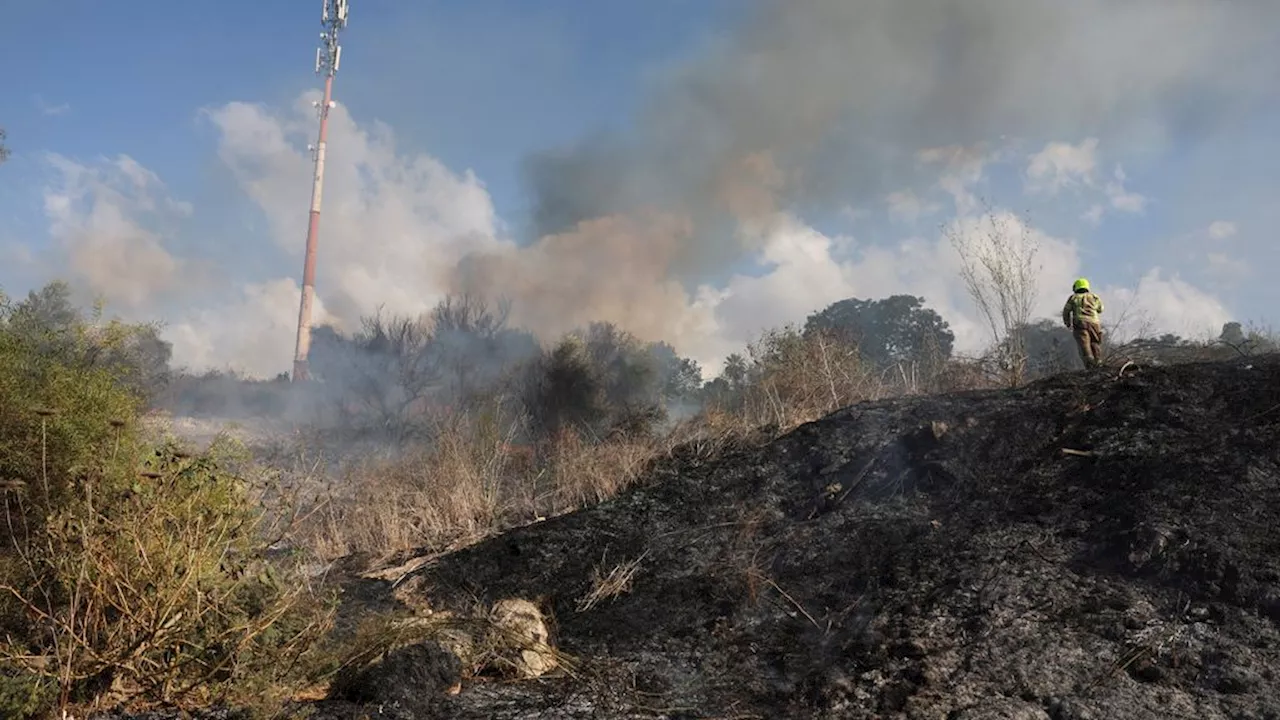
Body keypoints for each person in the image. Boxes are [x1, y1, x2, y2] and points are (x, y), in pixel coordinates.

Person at [1062, 277, 1105, 368]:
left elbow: (1066, 311)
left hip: (1080, 324)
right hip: (1095, 324)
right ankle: (1099, 363)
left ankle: (1090, 365)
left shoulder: (1073, 298)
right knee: (1095, 343)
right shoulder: (1094, 297)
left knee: (1085, 345)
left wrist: (1067, 322)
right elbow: (1100, 309)